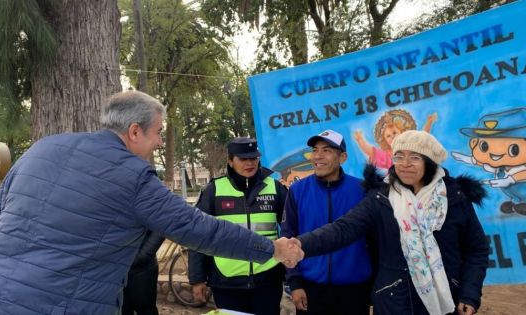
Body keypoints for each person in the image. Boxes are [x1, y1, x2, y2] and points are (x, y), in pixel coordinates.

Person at [0, 91, 303, 315]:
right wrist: (273, 250)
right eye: (158, 132)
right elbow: (198, 230)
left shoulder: (42, 148)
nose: (159, 142)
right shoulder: (134, 176)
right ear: (134, 131)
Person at [296, 130, 489, 315]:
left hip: (446, 300)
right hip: (393, 301)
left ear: (430, 162)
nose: (405, 164)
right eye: (398, 156)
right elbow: (343, 229)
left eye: (415, 157)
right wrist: (299, 245)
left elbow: (476, 249)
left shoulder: (454, 199)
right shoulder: (381, 198)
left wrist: (469, 293)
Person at [188, 137, 289, 315]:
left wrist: (294, 279)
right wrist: (197, 279)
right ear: (230, 161)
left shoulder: (275, 188)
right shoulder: (214, 190)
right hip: (226, 282)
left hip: (267, 281)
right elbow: (197, 235)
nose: (249, 163)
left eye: (254, 158)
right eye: (243, 159)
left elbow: (291, 231)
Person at [281, 129, 373, 315]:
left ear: (343, 157)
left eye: (327, 150)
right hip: (310, 289)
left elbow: (375, 240)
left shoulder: (362, 190)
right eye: (315, 150)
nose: (318, 156)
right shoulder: (297, 190)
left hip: (354, 290)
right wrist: (295, 283)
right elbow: (288, 237)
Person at [122, 230, 164, 315]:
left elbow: (160, 227)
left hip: (142, 270)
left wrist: (143, 255)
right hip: (115, 270)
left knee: (146, 310)